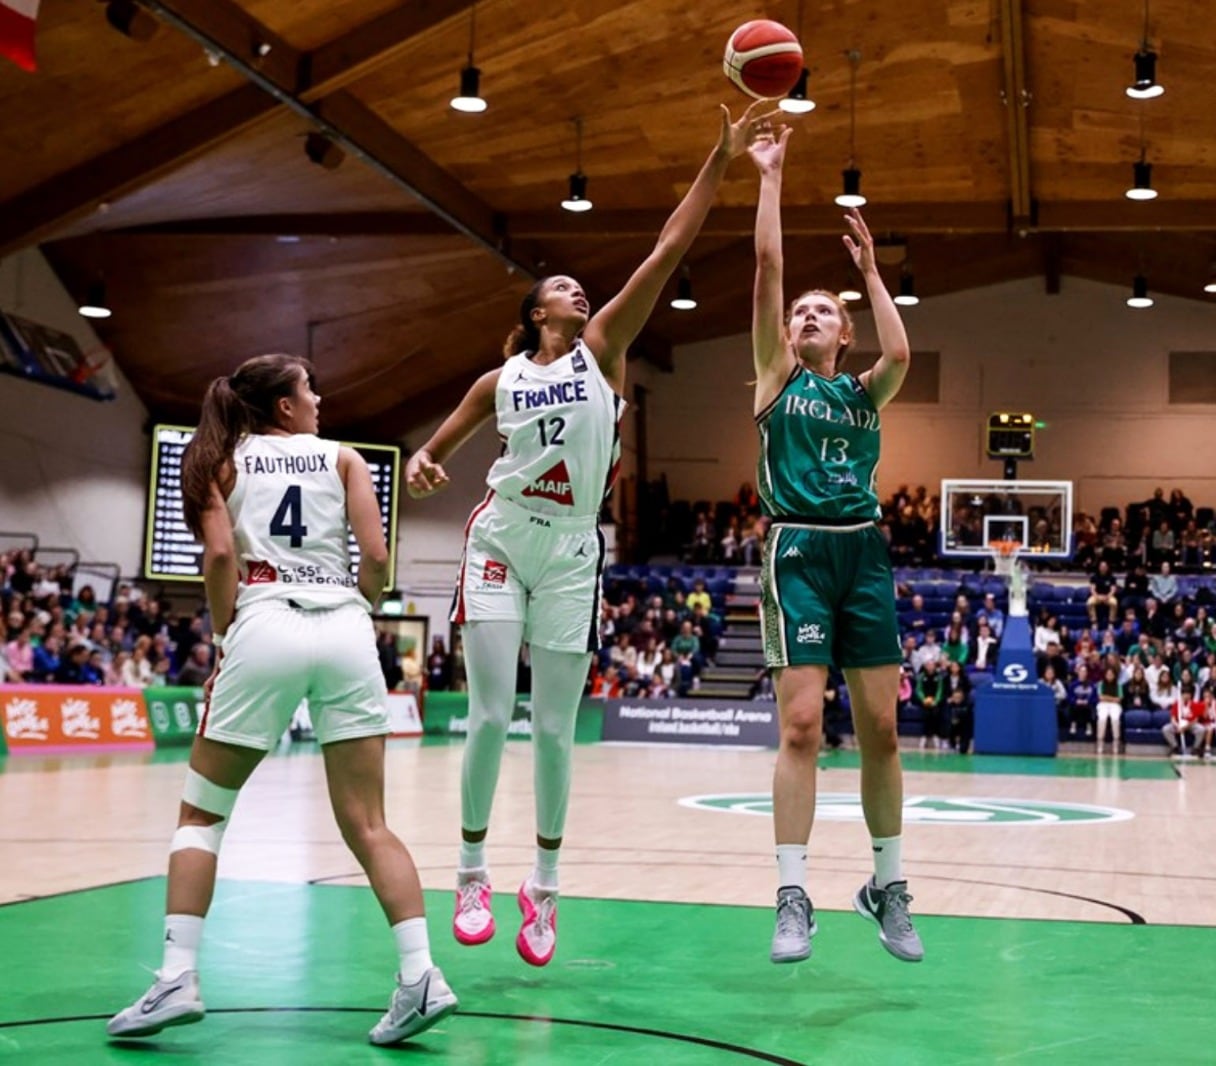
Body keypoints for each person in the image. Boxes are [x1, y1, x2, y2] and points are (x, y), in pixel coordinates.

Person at [406, 101, 773, 966]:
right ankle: (468, 870)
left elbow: (667, 249)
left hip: (573, 548)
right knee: (493, 717)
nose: (578, 291)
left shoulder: (602, 348)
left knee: (559, 728)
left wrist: (719, 160)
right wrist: (422, 462)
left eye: (579, 289)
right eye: (561, 289)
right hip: (500, 537)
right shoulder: (499, 379)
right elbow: (439, 446)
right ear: (537, 315)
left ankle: (544, 887)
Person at [108, 355, 454, 1046]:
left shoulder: (217, 459)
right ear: (285, 407)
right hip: (346, 628)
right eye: (309, 390)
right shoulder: (345, 458)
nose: (319, 398)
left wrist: (224, 633)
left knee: (201, 816)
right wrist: (364, 603)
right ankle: (422, 976)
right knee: (369, 824)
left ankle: (177, 976)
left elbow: (217, 560)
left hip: (264, 618)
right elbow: (378, 560)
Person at [747, 122, 923, 965]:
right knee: (803, 727)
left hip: (864, 551)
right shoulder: (775, 380)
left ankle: (887, 885)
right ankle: (791, 896)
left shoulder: (863, 392)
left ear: (840, 334)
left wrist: (870, 276)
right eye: (799, 313)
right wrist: (771, 179)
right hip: (798, 555)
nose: (807, 316)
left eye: (824, 313)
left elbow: (900, 349)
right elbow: (769, 270)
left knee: (883, 729)